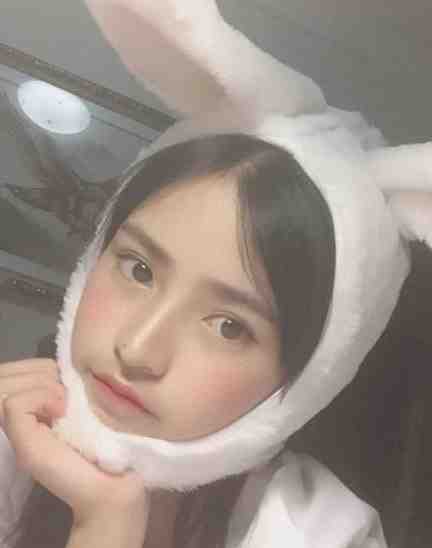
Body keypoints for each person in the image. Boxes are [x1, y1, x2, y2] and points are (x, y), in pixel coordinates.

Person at [1, 1, 431, 547]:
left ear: (305, 380)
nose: (138, 349)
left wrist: (106, 525)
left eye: (230, 326)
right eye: (138, 269)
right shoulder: (10, 443)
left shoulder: (324, 532)